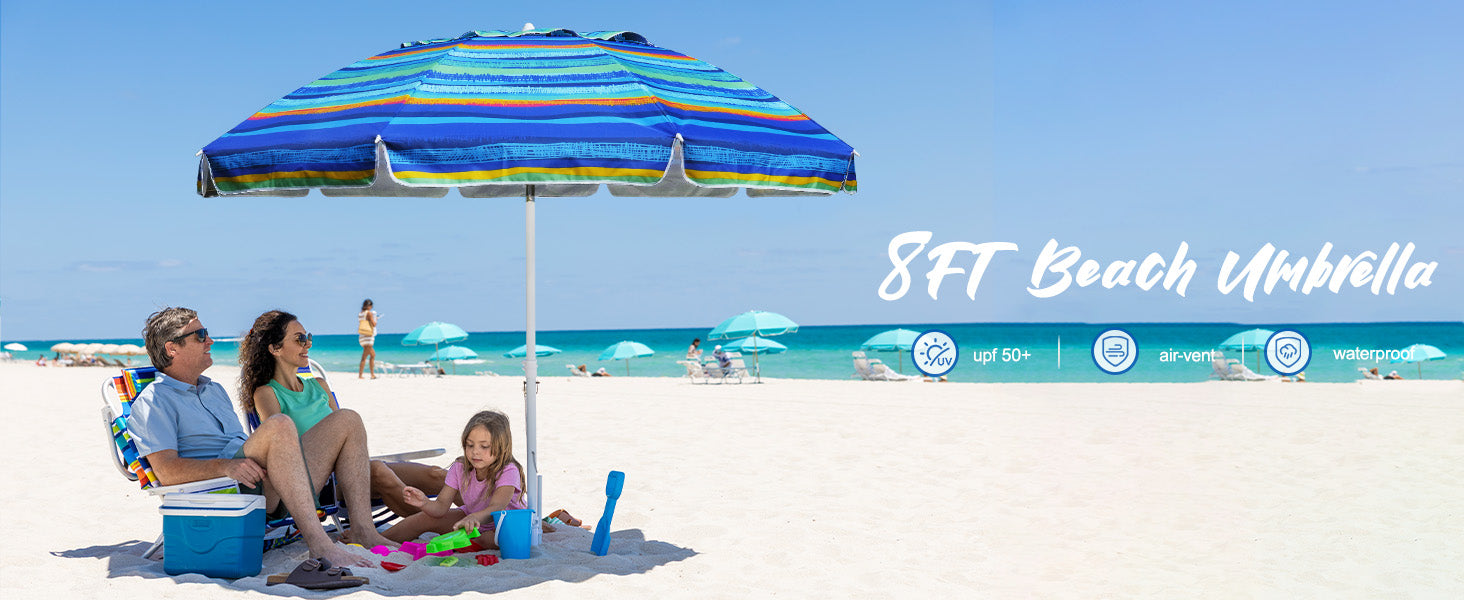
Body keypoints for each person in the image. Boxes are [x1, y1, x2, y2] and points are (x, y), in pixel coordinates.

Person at [127, 307, 388, 567]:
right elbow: (166, 472)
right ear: (172, 348)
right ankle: (320, 545)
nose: (210, 341)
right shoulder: (154, 401)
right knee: (279, 425)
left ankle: (363, 531)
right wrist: (225, 467)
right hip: (228, 490)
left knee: (348, 419)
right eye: (201, 335)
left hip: (274, 483)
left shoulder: (214, 390)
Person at [238, 309, 447, 520]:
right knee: (377, 469)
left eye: (308, 337)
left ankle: (462, 517)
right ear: (275, 348)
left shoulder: (319, 385)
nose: (307, 344)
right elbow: (280, 453)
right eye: (299, 339)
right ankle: (439, 522)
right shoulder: (266, 394)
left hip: (349, 472)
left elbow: (346, 440)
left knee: (437, 474)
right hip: (318, 484)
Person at [382, 410, 529, 545]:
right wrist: (424, 503)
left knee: (488, 539)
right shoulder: (460, 467)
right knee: (423, 518)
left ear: (502, 447)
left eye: (484, 446)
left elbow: (496, 508)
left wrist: (474, 518)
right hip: (471, 519)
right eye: (470, 445)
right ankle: (377, 542)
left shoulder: (508, 470)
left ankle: (467, 542)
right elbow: (440, 507)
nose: (475, 452)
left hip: (506, 523)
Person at [358, 299, 378, 379]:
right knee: (365, 356)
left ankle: (371, 374)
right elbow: (374, 324)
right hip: (368, 337)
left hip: (362, 336)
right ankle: (362, 375)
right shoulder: (369, 313)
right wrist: (376, 319)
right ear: (369, 306)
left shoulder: (360, 314)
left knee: (372, 355)